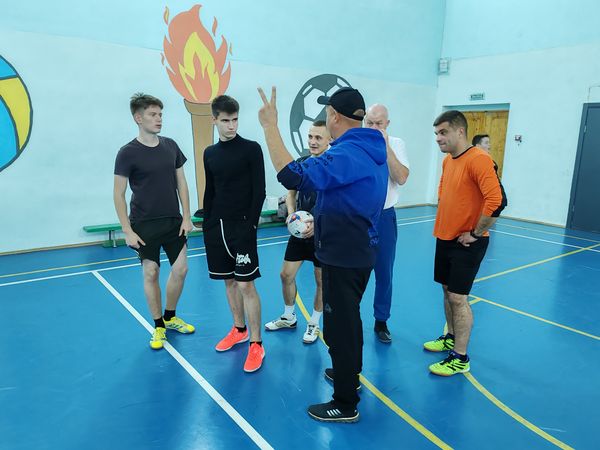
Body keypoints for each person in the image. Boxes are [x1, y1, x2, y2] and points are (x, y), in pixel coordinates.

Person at [257, 86, 388, 422]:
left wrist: (270, 126)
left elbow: (292, 175)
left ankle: (345, 403)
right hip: (359, 249)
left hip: (343, 254)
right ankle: (348, 375)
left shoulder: (347, 154)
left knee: (341, 328)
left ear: (333, 116)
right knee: (349, 320)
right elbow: (350, 194)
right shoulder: (371, 148)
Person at [424, 110, 506, 376]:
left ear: (460, 131)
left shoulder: (479, 159)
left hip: (467, 242)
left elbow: (497, 201)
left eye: (443, 132)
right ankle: (450, 337)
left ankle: (460, 358)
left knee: (458, 298)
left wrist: (476, 233)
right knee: (447, 291)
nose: (438, 138)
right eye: (436, 133)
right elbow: (444, 191)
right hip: (445, 236)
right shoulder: (449, 160)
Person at [114, 93, 195, 350]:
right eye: (152, 114)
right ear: (138, 118)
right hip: (144, 224)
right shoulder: (127, 153)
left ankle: (170, 317)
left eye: (160, 114)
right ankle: (158, 325)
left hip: (173, 221)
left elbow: (182, 183)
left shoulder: (171, 146)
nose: (159, 118)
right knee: (151, 273)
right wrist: (127, 230)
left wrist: (186, 216)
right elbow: (118, 193)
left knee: (181, 270)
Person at [203, 95, 266, 373]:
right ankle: (239, 330)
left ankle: (256, 343)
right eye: (226, 120)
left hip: (242, 227)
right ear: (214, 120)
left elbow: (259, 191)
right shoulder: (209, 153)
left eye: (235, 120)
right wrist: (207, 223)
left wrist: (251, 226)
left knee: (245, 285)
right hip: (216, 227)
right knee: (229, 282)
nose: (231, 125)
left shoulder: (251, 149)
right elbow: (210, 190)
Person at [264, 120, 331, 344]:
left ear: (329, 140)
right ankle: (289, 316)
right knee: (286, 275)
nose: (313, 141)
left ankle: (314, 323)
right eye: (310, 136)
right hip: (299, 232)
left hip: (322, 235)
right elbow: (291, 194)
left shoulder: (332, 167)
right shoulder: (302, 164)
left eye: (318, 137)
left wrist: (317, 225)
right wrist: (292, 215)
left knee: (321, 281)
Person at [365, 104, 410, 343]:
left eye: (379, 124)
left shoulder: (396, 143)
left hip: (383, 217)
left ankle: (381, 321)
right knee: (353, 271)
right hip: (358, 217)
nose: (374, 128)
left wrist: (385, 145)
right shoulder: (355, 143)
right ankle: (349, 317)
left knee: (384, 272)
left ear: (387, 124)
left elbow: (401, 177)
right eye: (369, 123)